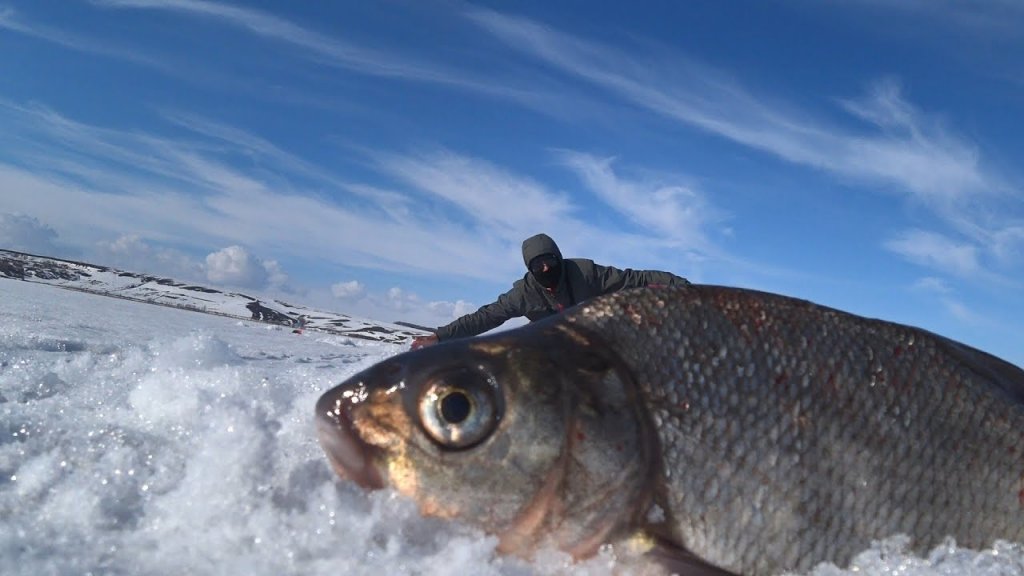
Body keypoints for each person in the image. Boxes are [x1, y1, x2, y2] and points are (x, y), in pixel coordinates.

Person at [410, 233, 689, 350]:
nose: (545, 269)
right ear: (529, 269)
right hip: (557, 345)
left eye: (549, 261)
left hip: (600, 336)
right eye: (537, 265)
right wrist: (440, 336)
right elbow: (486, 317)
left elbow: (635, 280)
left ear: (558, 258)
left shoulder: (586, 273)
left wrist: (682, 288)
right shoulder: (524, 294)